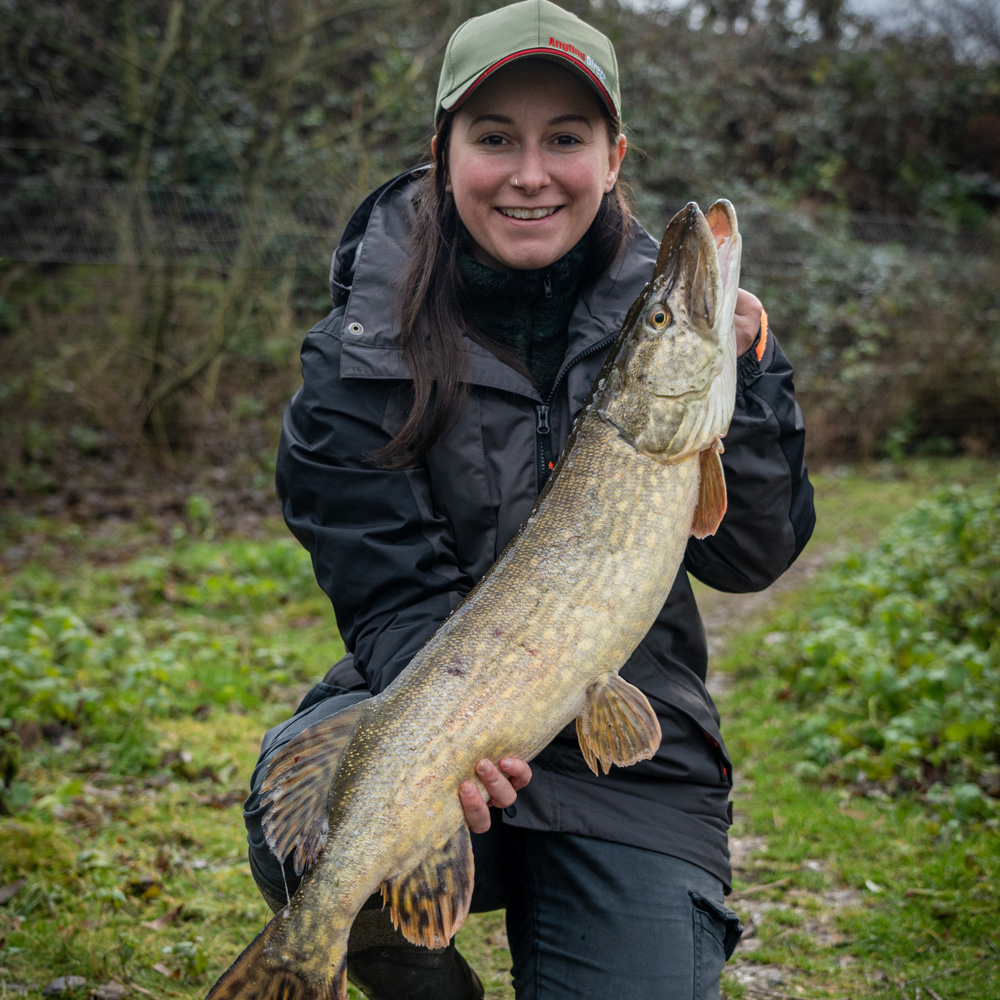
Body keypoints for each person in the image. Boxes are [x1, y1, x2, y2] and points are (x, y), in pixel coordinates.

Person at [242, 1, 815, 997]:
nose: (531, 173)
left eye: (567, 139)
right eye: (496, 138)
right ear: (443, 153)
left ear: (614, 158)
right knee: (308, 830)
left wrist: (750, 372)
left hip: (631, 765)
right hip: (434, 705)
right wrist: (456, 745)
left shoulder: (673, 369)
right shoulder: (354, 356)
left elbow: (750, 555)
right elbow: (392, 592)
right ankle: (342, 951)